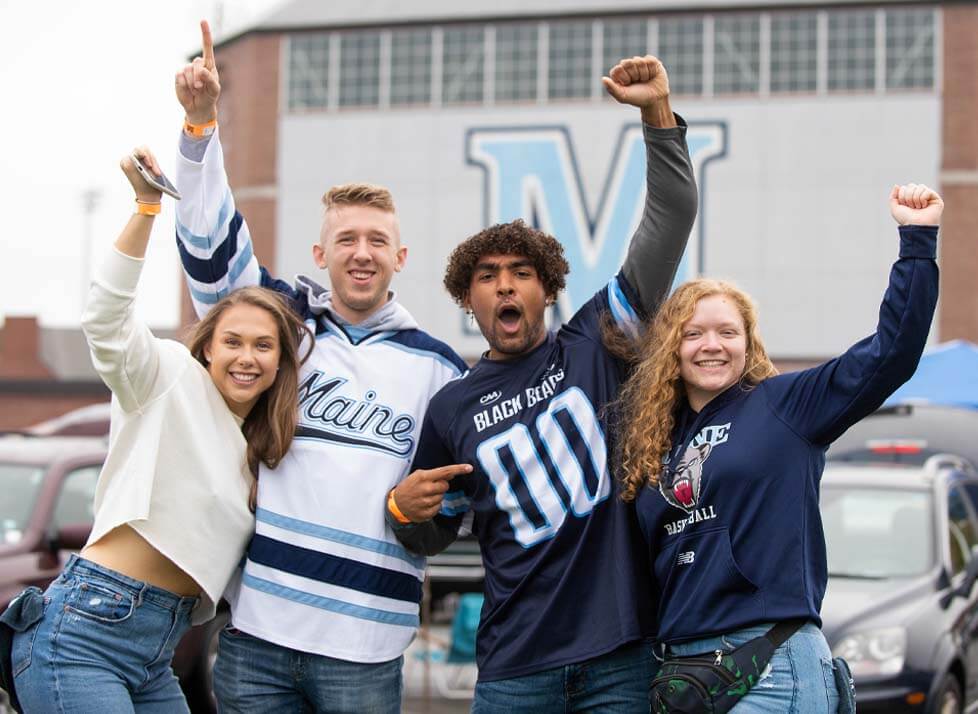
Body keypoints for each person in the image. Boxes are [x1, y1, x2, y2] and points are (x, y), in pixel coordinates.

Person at [173, 20, 468, 713]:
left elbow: (445, 509)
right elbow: (210, 249)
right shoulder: (283, 325)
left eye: (376, 241)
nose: (360, 252)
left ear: (400, 259)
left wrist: (422, 512)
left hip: (365, 649)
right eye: (345, 239)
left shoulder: (441, 371)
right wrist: (199, 128)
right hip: (256, 635)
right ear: (319, 254)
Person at [387, 56, 697, 712]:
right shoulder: (451, 408)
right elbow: (431, 533)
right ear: (467, 300)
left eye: (522, 272)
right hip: (514, 668)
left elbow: (670, 218)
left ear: (549, 290)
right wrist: (401, 512)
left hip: (621, 654)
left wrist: (657, 114)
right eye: (488, 275)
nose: (505, 283)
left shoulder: (597, 341)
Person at [2, 146, 309, 713]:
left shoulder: (256, 449)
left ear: (280, 363)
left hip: (155, 654)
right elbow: (106, 321)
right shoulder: (167, 378)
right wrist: (146, 207)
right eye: (233, 342)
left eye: (264, 346)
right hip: (84, 637)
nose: (247, 357)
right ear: (208, 348)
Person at [615, 183, 942, 712]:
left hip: (770, 663)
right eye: (693, 333)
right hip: (681, 673)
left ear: (749, 343)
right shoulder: (653, 443)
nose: (712, 345)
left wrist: (917, 241)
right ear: (671, 349)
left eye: (728, 332)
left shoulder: (787, 407)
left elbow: (893, 352)